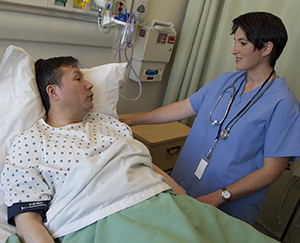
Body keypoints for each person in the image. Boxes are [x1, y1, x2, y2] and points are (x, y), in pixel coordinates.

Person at [120, 12, 300, 225]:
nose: (234, 50)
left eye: (242, 43)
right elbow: (183, 108)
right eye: (235, 42)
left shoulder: (283, 104)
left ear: (267, 48)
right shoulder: (227, 82)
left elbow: (272, 172)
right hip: (185, 184)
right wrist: (133, 120)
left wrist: (220, 196)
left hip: (228, 206)